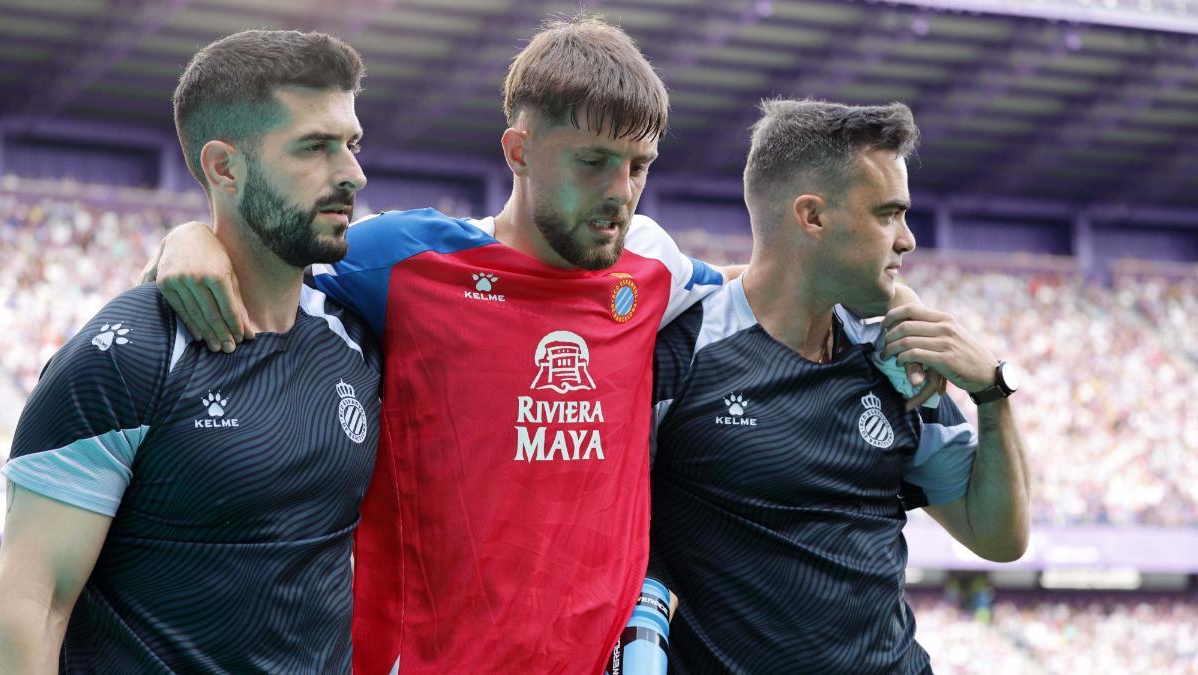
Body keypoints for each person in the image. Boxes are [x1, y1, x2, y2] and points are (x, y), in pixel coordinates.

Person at [151, 17, 933, 674]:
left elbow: (769, 277)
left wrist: (907, 310)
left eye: (639, 166)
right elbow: (267, 246)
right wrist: (188, 240)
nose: (620, 191)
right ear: (518, 151)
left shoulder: (651, 270)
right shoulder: (411, 260)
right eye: (593, 162)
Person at [0, 30, 381, 672]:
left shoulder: (359, 336)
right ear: (224, 167)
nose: (353, 174)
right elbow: (32, 603)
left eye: (351, 144)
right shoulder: (125, 353)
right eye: (314, 148)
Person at [647, 99, 1031, 673]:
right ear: (813, 217)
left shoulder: (897, 357)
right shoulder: (680, 351)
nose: (908, 241)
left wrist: (992, 395)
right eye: (887, 214)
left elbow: (998, 538)